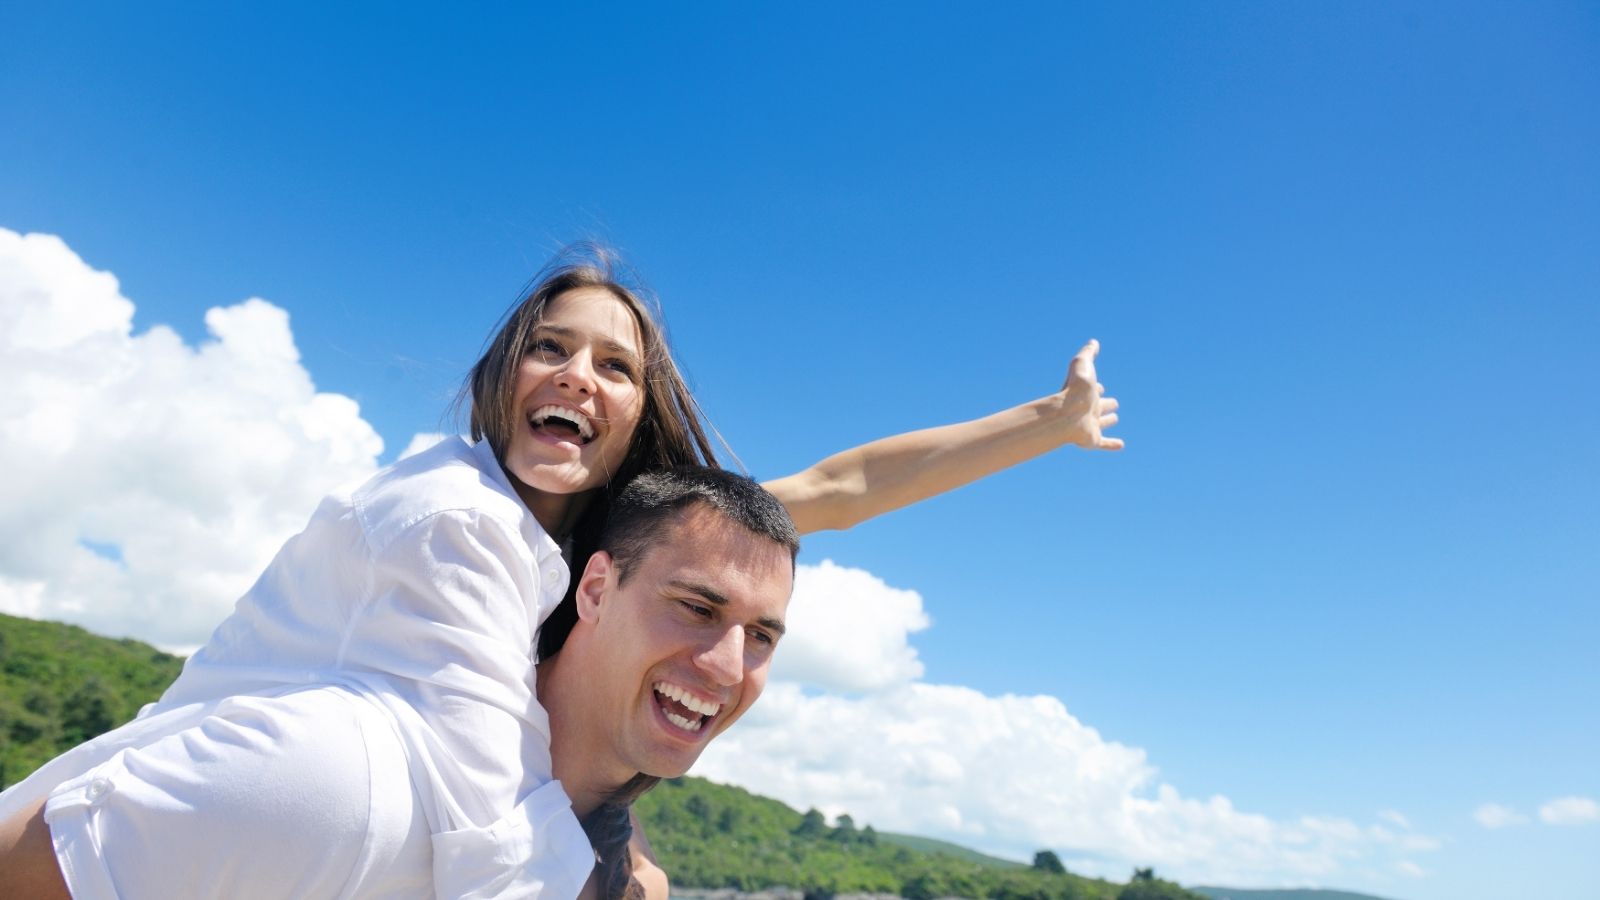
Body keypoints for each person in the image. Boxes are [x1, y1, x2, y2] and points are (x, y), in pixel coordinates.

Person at [0, 246, 1122, 899]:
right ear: (503, 378)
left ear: (637, 412)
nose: (579, 374)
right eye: (550, 347)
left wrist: (1048, 422)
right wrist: (620, 866)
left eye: (615, 365)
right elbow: (493, 811)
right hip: (199, 810)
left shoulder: (607, 537)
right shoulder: (451, 523)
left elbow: (837, 486)